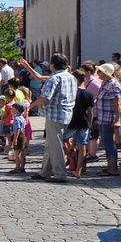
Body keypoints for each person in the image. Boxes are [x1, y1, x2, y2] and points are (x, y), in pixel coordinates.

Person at [30, 53, 76, 181]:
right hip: (66, 113)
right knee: (50, 144)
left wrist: (34, 104)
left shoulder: (54, 78)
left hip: (54, 114)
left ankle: (60, 173)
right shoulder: (71, 77)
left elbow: (45, 97)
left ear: (53, 65)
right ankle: (45, 171)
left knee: (55, 145)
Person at [6, 101, 30, 173]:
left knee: (17, 154)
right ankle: (22, 167)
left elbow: (17, 129)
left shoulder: (16, 118)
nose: (11, 110)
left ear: (16, 110)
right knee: (22, 153)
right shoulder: (22, 117)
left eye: (12, 109)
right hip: (23, 135)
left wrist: (15, 139)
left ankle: (17, 168)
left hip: (18, 135)